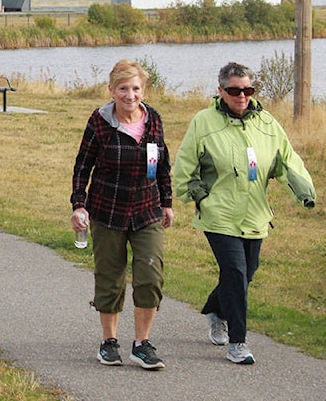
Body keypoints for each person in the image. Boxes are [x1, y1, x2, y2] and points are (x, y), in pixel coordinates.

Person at [174, 61, 316, 366]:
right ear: (221, 91)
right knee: (236, 273)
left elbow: (286, 160)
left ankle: (217, 309)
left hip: (254, 215)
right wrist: (200, 197)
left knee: (246, 272)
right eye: (235, 90)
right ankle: (238, 342)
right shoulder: (203, 122)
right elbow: (185, 166)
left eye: (248, 89)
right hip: (219, 215)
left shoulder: (266, 122)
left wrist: (304, 192)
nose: (242, 96)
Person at [71, 59, 172, 370]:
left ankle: (142, 344)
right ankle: (109, 342)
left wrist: (167, 201)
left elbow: (163, 163)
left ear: (143, 90)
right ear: (111, 91)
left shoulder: (152, 119)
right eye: (123, 88)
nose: (130, 95)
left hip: (146, 209)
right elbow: (83, 165)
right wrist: (79, 204)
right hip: (108, 210)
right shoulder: (100, 122)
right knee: (111, 278)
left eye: (136, 88)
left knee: (150, 276)